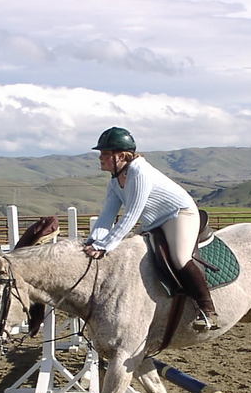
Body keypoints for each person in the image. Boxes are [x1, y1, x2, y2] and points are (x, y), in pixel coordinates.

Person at [83, 126, 218, 331]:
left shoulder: (139, 172)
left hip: (179, 214)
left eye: (105, 153)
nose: (100, 157)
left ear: (122, 156)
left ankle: (207, 310)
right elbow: (106, 217)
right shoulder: (115, 181)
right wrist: (92, 242)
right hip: (154, 221)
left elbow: (132, 214)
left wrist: (104, 246)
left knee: (179, 257)